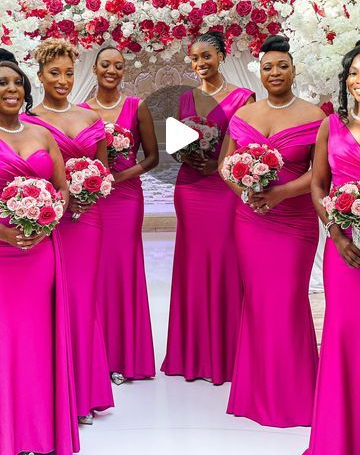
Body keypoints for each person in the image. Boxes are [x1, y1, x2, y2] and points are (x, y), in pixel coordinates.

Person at [221, 34, 325, 427]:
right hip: (251, 221)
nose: (276, 72)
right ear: (260, 74)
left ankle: (295, 394)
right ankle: (256, 392)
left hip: (294, 222)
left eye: (282, 65)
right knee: (260, 302)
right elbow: (225, 167)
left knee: (287, 301)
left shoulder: (315, 116)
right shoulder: (245, 116)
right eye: (268, 67)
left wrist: (280, 193)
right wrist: (247, 194)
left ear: (294, 70)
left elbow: (320, 173)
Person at [21, 39, 114, 425]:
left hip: (88, 221)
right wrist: (56, 204)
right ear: (39, 76)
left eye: (68, 73)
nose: (62, 80)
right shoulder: (28, 122)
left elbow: (103, 171)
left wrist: (89, 191)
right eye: (54, 73)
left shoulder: (91, 117)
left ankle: (85, 394)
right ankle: (59, 395)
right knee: (52, 304)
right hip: (50, 223)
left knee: (82, 299)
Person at [161, 31, 255, 384]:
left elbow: (246, 147)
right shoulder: (186, 99)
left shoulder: (243, 98)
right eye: (195, 59)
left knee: (226, 261)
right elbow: (173, 146)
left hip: (224, 188)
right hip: (190, 189)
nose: (200, 64)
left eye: (206, 57)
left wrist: (218, 162)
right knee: (193, 264)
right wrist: (188, 151)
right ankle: (191, 353)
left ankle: (227, 353)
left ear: (221, 55)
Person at [0, 60, 79, 455]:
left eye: (17, 82)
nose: (11, 89)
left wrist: (46, 222)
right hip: (1, 253)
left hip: (40, 251)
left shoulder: (42, 135)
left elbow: (61, 189)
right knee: (7, 340)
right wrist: (5, 231)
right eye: (1, 83)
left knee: (37, 338)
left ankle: (37, 432)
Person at [81, 46, 157, 383]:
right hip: (93, 199)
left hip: (125, 199)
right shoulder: (81, 111)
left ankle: (126, 357)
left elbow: (152, 157)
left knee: (122, 269)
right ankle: (97, 356)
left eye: (119, 66)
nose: (112, 70)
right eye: (106, 65)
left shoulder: (136, 107)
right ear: (95, 69)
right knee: (95, 271)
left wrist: (120, 175)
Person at [304, 41, 360, 455]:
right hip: (345, 251)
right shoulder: (332, 126)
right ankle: (339, 439)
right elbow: (318, 185)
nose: (358, 80)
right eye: (353, 72)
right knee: (344, 335)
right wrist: (338, 236)